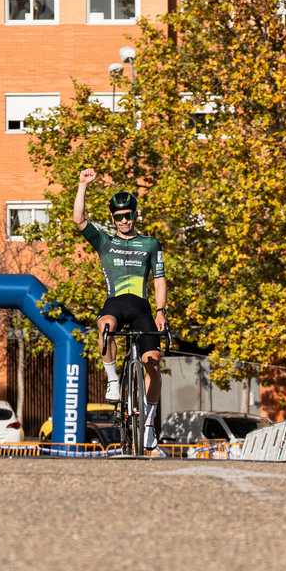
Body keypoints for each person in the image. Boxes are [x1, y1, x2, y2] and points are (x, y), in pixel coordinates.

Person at [73, 168, 166, 453]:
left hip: (141, 307)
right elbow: (79, 220)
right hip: (115, 303)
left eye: (128, 215)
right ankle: (113, 380)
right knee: (104, 327)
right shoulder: (105, 240)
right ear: (113, 219)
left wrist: (161, 311)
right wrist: (82, 186)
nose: (124, 220)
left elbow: (160, 279)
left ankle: (149, 428)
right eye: (119, 217)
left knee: (153, 362)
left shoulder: (150, 243)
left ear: (135, 215)